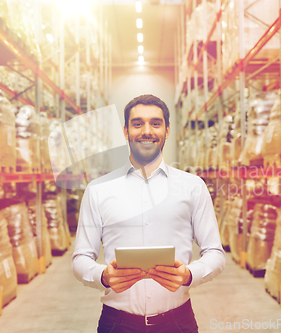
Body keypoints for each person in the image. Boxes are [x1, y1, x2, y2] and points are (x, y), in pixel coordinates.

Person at [72, 94, 225, 333]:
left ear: (167, 131)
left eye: (155, 123)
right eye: (137, 123)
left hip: (178, 322)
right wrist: (103, 275)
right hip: (117, 324)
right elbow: (81, 258)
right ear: (126, 131)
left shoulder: (192, 186)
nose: (147, 131)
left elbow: (215, 252)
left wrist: (189, 274)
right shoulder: (98, 190)